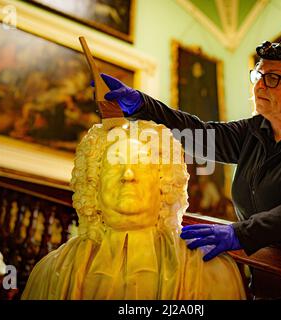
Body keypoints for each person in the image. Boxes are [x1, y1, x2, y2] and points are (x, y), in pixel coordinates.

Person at [94, 41, 281, 261]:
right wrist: (140, 105)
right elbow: (196, 133)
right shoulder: (253, 132)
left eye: (272, 78)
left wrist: (243, 234)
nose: (259, 85)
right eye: (258, 75)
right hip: (269, 273)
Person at [21, 120, 246, 299]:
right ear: (94, 183)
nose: (128, 175)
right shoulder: (50, 272)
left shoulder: (211, 273)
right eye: (116, 164)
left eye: (141, 163)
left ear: (163, 182)